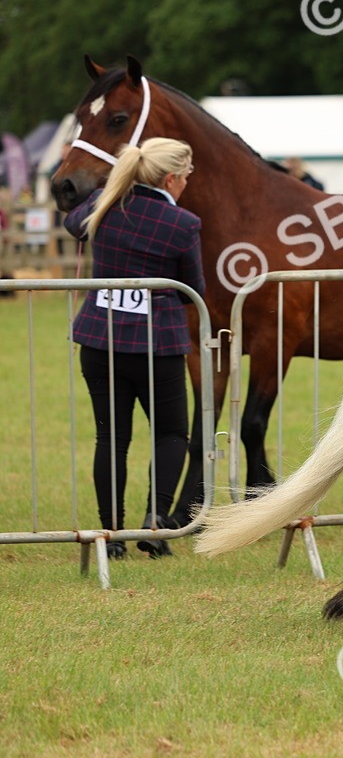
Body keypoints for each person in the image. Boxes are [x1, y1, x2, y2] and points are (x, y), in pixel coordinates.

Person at [64, 137, 205, 560]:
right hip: (156, 345)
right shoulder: (183, 223)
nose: (188, 182)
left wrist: (111, 189)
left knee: (111, 437)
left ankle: (110, 534)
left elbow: (72, 224)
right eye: (187, 175)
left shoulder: (104, 204)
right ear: (171, 178)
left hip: (99, 339)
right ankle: (156, 522)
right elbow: (192, 288)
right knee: (170, 433)